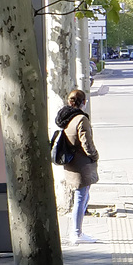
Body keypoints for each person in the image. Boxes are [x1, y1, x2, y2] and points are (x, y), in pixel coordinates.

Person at [51, 90, 100, 244]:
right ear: (83, 102)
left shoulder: (66, 118)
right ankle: (77, 233)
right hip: (82, 165)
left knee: (82, 196)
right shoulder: (81, 119)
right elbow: (86, 143)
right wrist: (94, 155)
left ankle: (77, 232)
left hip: (70, 164)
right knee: (81, 197)